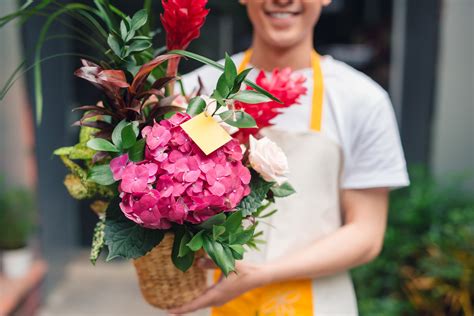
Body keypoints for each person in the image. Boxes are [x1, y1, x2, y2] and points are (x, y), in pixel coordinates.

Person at [172, 0, 409, 315]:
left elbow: (366, 234)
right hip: (212, 302)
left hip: (319, 303)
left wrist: (262, 275)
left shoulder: (362, 100)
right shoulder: (192, 94)